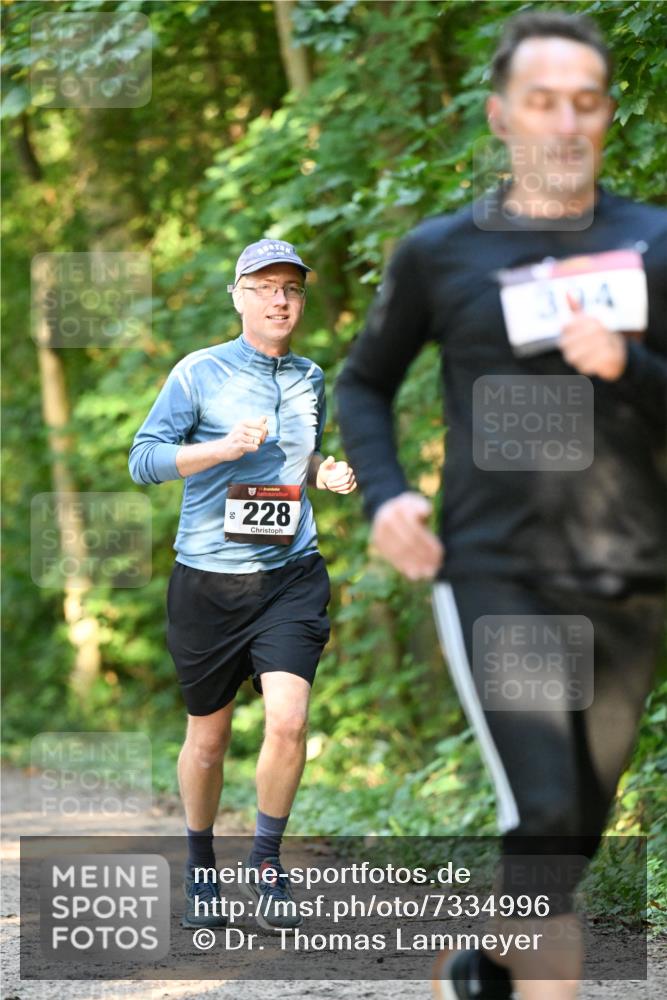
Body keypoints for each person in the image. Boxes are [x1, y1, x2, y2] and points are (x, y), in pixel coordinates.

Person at [336, 11, 665, 1000]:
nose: (563, 121)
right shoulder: (439, 254)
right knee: (549, 794)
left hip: (631, 572)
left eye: (584, 101)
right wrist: (387, 498)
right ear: (498, 113)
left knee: (568, 830)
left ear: (605, 115)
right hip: (493, 572)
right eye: (540, 100)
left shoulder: (653, 240)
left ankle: (482, 970)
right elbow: (362, 385)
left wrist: (628, 365)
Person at [129, 238, 356, 932]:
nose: (279, 299)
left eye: (290, 287)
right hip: (208, 582)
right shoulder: (198, 373)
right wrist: (222, 449)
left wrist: (321, 471)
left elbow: (298, 455)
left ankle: (265, 862)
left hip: (289, 575)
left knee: (289, 720)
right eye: (263, 287)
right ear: (237, 296)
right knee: (209, 741)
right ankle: (201, 863)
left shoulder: (311, 376)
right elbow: (144, 460)